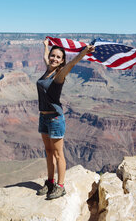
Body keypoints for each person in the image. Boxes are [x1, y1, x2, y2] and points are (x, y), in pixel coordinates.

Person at [36, 38, 95, 200]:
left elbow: (72, 64)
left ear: (62, 61)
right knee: (48, 152)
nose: (54, 59)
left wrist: (84, 52)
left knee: (58, 154)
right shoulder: (48, 69)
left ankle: (60, 186)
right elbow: (46, 57)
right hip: (43, 117)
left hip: (55, 119)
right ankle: (50, 182)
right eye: (52, 56)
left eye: (58, 57)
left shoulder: (59, 74)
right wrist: (46, 46)